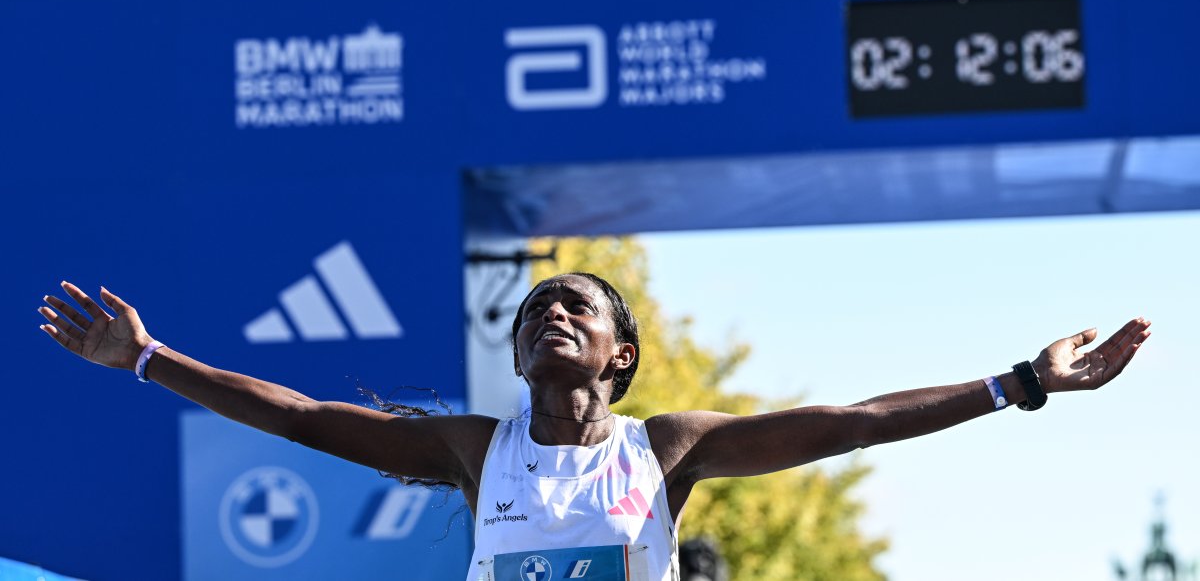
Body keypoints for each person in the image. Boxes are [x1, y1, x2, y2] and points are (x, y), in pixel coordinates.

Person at [38, 275, 1151, 581]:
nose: (553, 314)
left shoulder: (668, 450)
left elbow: (852, 422)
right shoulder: (474, 452)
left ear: (619, 355)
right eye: (535, 311)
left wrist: (1019, 383)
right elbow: (302, 417)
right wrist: (147, 357)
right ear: (519, 355)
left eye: (579, 305)